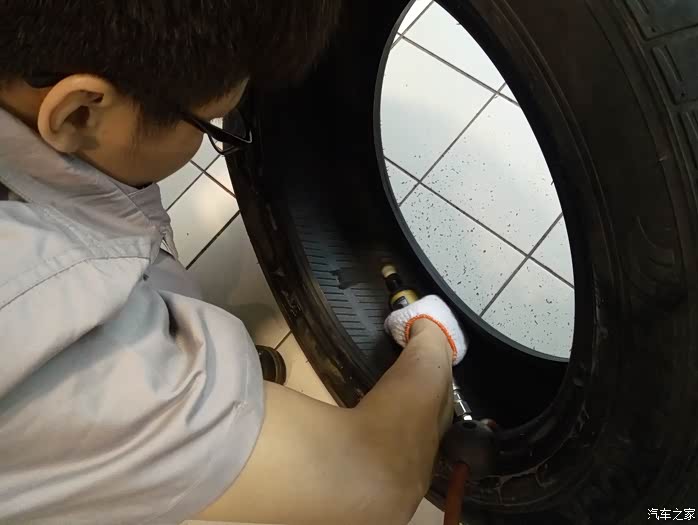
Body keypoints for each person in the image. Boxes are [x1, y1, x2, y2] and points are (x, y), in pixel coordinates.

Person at [0, 2, 469, 524]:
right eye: (209, 123)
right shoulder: (61, 355)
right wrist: (432, 339)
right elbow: (375, 482)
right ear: (79, 113)